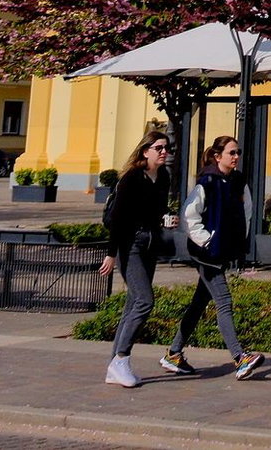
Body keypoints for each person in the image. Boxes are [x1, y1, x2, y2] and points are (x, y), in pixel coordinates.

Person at [161, 134, 265, 381]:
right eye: (231, 153)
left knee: (199, 303)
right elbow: (188, 216)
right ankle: (240, 358)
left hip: (224, 251)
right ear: (218, 156)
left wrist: (239, 240)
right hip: (206, 254)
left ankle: (173, 353)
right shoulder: (207, 182)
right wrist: (207, 240)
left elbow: (247, 212)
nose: (236, 157)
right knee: (224, 301)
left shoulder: (239, 181)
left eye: (238, 152)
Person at [98, 131, 174, 388]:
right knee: (144, 301)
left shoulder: (163, 177)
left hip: (150, 243)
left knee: (133, 304)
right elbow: (118, 219)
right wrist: (111, 254)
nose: (164, 152)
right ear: (145, 151)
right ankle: (121, 358)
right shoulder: (132, 178)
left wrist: (167, 218)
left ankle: (114, 366)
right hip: (129, 245)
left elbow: (159, 210)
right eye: (159, 148)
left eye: (166, 148)